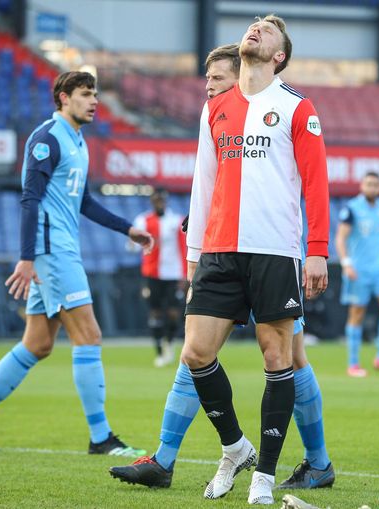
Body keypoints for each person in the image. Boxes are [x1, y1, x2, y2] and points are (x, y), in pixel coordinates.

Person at [109, 42, 334, 494]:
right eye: (207, 79)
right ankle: (167, 456)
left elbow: (300, 181)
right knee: (197, 351)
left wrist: (315, 248)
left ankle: (317, 460)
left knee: (290, 359)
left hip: (271, 251)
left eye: (217, 78)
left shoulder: (276, 107)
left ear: (242, 77)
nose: (209, 86)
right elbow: (211, 182)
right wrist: (199, 237)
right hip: (223, 249)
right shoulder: (216, 115)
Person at [0, 71, 153, 456]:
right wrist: (27, 258)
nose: (94, 101)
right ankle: (101, 438)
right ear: (63, 97)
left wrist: (127, 229)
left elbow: (84, 201)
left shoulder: (78, 141)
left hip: (59, 249)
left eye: (95, 94)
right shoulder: (47, 139)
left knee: (38, 344)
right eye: (85, 94)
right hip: (51, 251)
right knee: (89, 336)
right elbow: (30, 199)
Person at [335, 171, 379, 377]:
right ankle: (353, 363)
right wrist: (346, 263)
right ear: (362, 186)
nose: (372, 187)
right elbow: (340, 238)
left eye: (375, 184)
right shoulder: (352, 208)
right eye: (368, 184)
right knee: (357, 314)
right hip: (358, 270)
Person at [132, 187, 187, 367]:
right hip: (152, 274)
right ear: (152, 201)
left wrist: (185, 275)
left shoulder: (176, 221)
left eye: (162, 199)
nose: (159, 203)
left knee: (173, 313)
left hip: (174, 274)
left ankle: (168, 343)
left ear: (166, 200)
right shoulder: (142, 221)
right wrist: (134, 242)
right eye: (156, 200)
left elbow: (184, 247)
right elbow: (132, 246)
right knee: (155, 312)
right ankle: (159, 351)